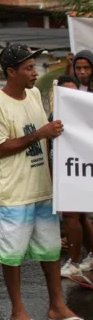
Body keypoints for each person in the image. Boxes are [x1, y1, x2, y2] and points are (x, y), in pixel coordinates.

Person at [0, 44, 89, 320]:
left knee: (51, 250)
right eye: (29, 68)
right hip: (13, 194)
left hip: (42, 189)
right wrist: (40, 133)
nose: (35, 72)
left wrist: (57, 179)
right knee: (12, 255)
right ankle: (18, 309)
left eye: (35, 66)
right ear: (11, 72)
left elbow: (47, 138)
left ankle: (57, 306)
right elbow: (0, 150)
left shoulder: (33, 94)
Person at [55, 75, 93, 281]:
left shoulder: (86, 111)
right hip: (72, 169)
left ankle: (75, 262)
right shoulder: (56, 113)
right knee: (79, 216)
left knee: (72, 215)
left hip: (77, 170)